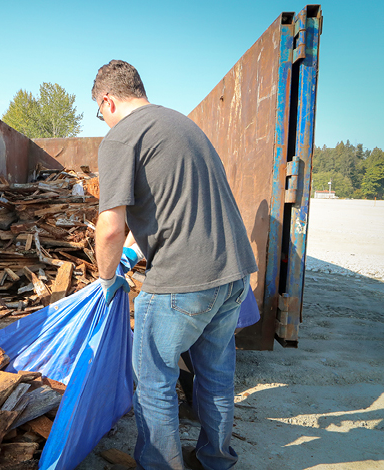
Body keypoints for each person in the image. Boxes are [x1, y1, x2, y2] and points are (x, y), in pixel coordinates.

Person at [92, 60, 258, 470]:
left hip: (182, 282)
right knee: (216, 375)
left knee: (154, 382)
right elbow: (167, 208)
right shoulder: (181, 126)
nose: (103, 122)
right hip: (233, 275)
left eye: (100, 113)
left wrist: (106, 278)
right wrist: (135, 253)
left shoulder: (122, 137)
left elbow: (110, 227)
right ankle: (215, 460)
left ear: (108, 100)